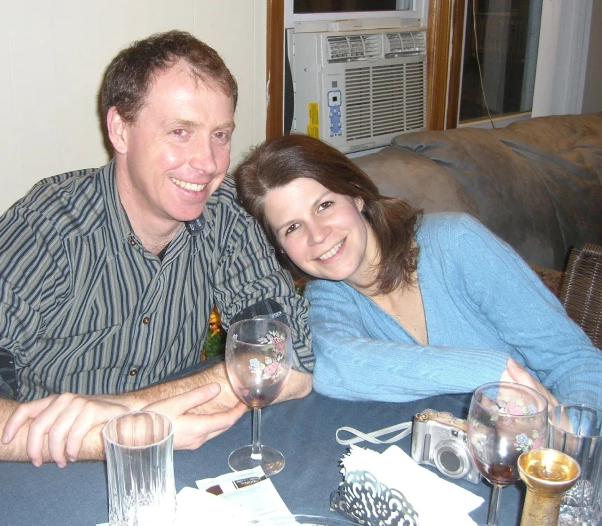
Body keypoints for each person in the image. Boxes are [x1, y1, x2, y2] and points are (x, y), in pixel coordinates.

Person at [0, 31, 313, 468]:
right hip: (50, 469)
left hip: (169, 462)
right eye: (180, 132)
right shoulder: (49, 228)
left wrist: (130, 411)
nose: (208, 163)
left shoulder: (226, 214)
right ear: (120, 130)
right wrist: (116, 432)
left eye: (220, 135)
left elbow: (292, 362)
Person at [234, 133, 602, 409]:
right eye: (292, 228)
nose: (317, 235)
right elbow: (336, 367)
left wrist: (571, 434)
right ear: (282, 248)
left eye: (325, 205)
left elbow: (574, 359)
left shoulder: (456, 243)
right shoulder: (328, 294)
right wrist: (491, 371)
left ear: (357, 195)